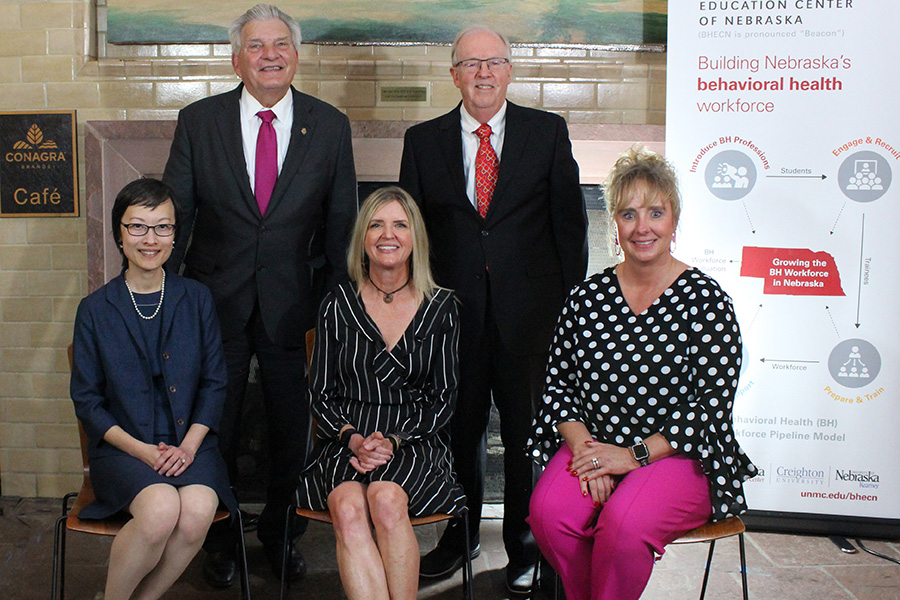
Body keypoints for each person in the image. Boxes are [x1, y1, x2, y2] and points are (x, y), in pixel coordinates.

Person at [162, 3, 357, 586]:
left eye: (280, 45)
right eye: (256, 46)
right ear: (236, 58)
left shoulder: (328, 125)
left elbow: (343, 225)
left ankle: (280, 535)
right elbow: (177, 215)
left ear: (295, 56)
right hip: (210, 305)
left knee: (289, 430)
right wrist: (167, 305)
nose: (269, 55)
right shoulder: (200, 121)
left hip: (294, 308)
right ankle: (218, 537)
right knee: (212, 425)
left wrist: (334, 310)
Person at [398, 25, 588, 593]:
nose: (483, 73)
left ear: (509, 71)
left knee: (530, 435)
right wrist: (413, 311)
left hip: (532, 320)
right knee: (458, 430)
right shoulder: (423, 139)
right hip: (450, 317)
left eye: (494, 62)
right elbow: (411, 232)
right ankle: (459, 535)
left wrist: (564, 312)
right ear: (452, 74)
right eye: (470, 63)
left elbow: (570, 229)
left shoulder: (547, 132)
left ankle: (526, 547)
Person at [526, 147, 758, 600]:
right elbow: (559, 386)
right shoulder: (586, 298)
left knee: (625, 526)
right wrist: (589, 453)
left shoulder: (708, 301)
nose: (642, 227)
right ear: (615, 222)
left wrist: (630, 457)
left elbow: (709, 407)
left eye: (655, 212)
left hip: (678, 455)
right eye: (629, 214)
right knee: (549, 515)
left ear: (674, 220)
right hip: (595, 444)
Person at [69, 178, 237, 600]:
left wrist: (190, 447)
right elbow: (88, 402)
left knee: (197, 511)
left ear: (176, 235)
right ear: (119, 234)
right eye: (138, 226)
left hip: (190, 445)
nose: (151, 239)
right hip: (125, 449)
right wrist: (143, 451)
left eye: (163, 227)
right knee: (161, 509)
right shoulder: (94, 310)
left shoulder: (196, 298)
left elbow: (216, 381)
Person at [296, 186, 466, 600]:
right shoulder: (338, 304)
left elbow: (444, 398)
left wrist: (393, 439)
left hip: (416, 442)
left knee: (387, 499)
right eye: (376, 224)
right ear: (363, 238)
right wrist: (355, 437)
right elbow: (320, 393)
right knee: (349, 507)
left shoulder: (442, 307)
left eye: (399, 225)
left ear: (414, 238)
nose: (387, 235)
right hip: (345, 440)